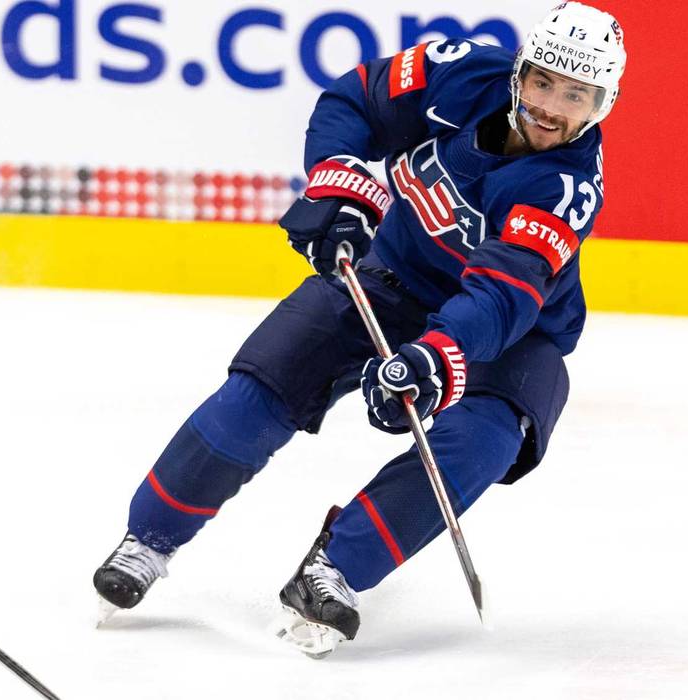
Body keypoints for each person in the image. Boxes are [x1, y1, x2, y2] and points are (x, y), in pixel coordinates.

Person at [93, 1, 627, 658]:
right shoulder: (455, 73)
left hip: (509, 337)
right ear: (519, 73)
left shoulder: (564, 186)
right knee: (266, 380)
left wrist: (438, 355)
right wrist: (335, 185)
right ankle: (149, 537)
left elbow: (501, 293)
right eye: (542, 81)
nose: (551, 106)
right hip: (390, 276)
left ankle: (335, 569)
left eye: (575, 94)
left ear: (602, 102)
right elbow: (354, 101)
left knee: (483, 440)